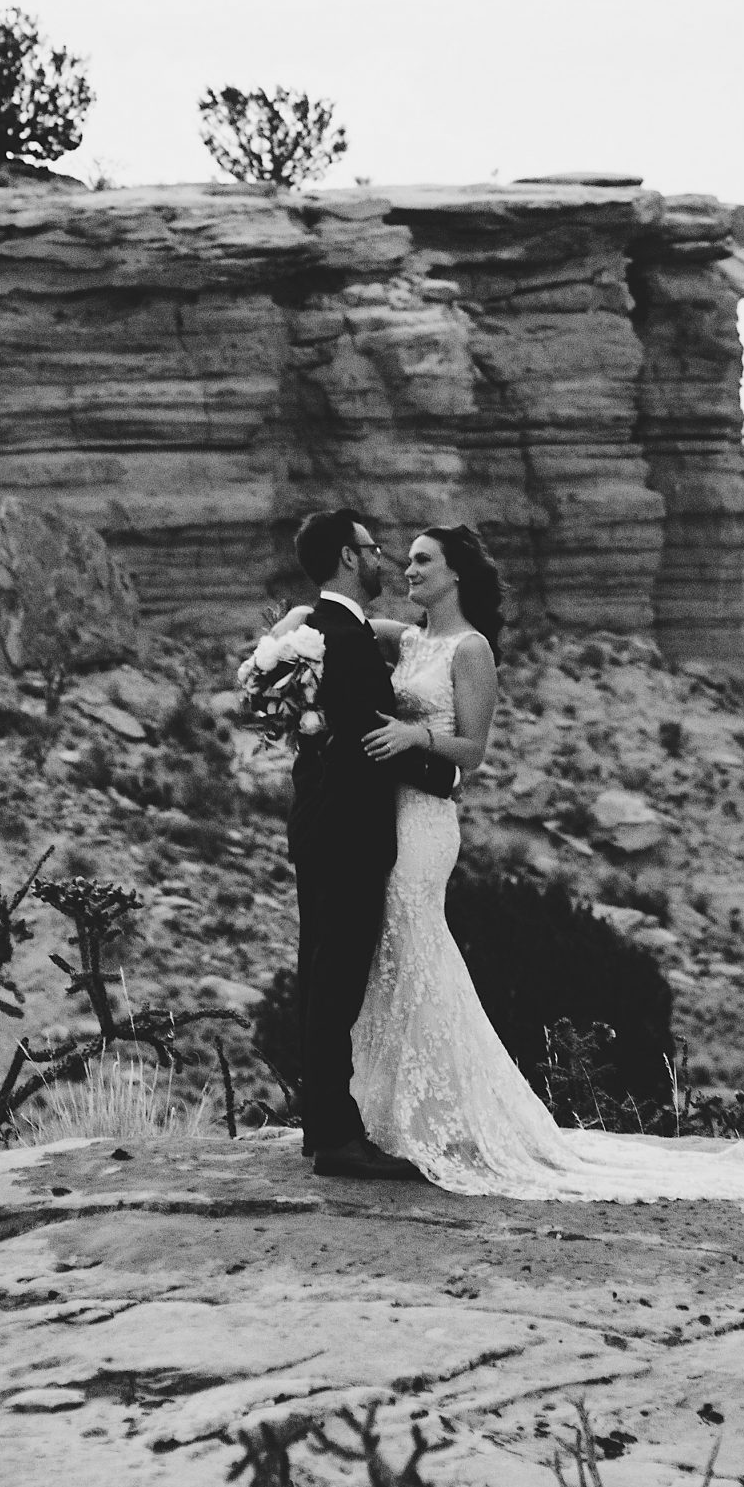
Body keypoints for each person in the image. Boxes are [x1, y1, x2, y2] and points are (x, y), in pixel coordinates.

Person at [347, 523, 744, 1203]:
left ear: (456, 573)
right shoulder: (408, 640)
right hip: (388, 811)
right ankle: (392, 1111)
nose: (409, 570)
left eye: (423, 561)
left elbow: (473, 750)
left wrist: (416, 735)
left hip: (428, 821)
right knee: (392, 950)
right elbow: (338, 622)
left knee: (416, 941)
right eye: (406, 561)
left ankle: (439, 1114)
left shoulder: (471, 650)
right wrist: (285, 637)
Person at [283, 506, 456, 1181]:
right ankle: (336, 1138)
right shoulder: (344, 639)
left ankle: (320, 1125)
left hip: (317, 824)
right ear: (349, 558)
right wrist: (446, 775)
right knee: (336, 982)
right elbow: (367, 736)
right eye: (373, 548)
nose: (383, 558)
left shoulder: (319, 630)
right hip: (349, 832)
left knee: (318, 974)